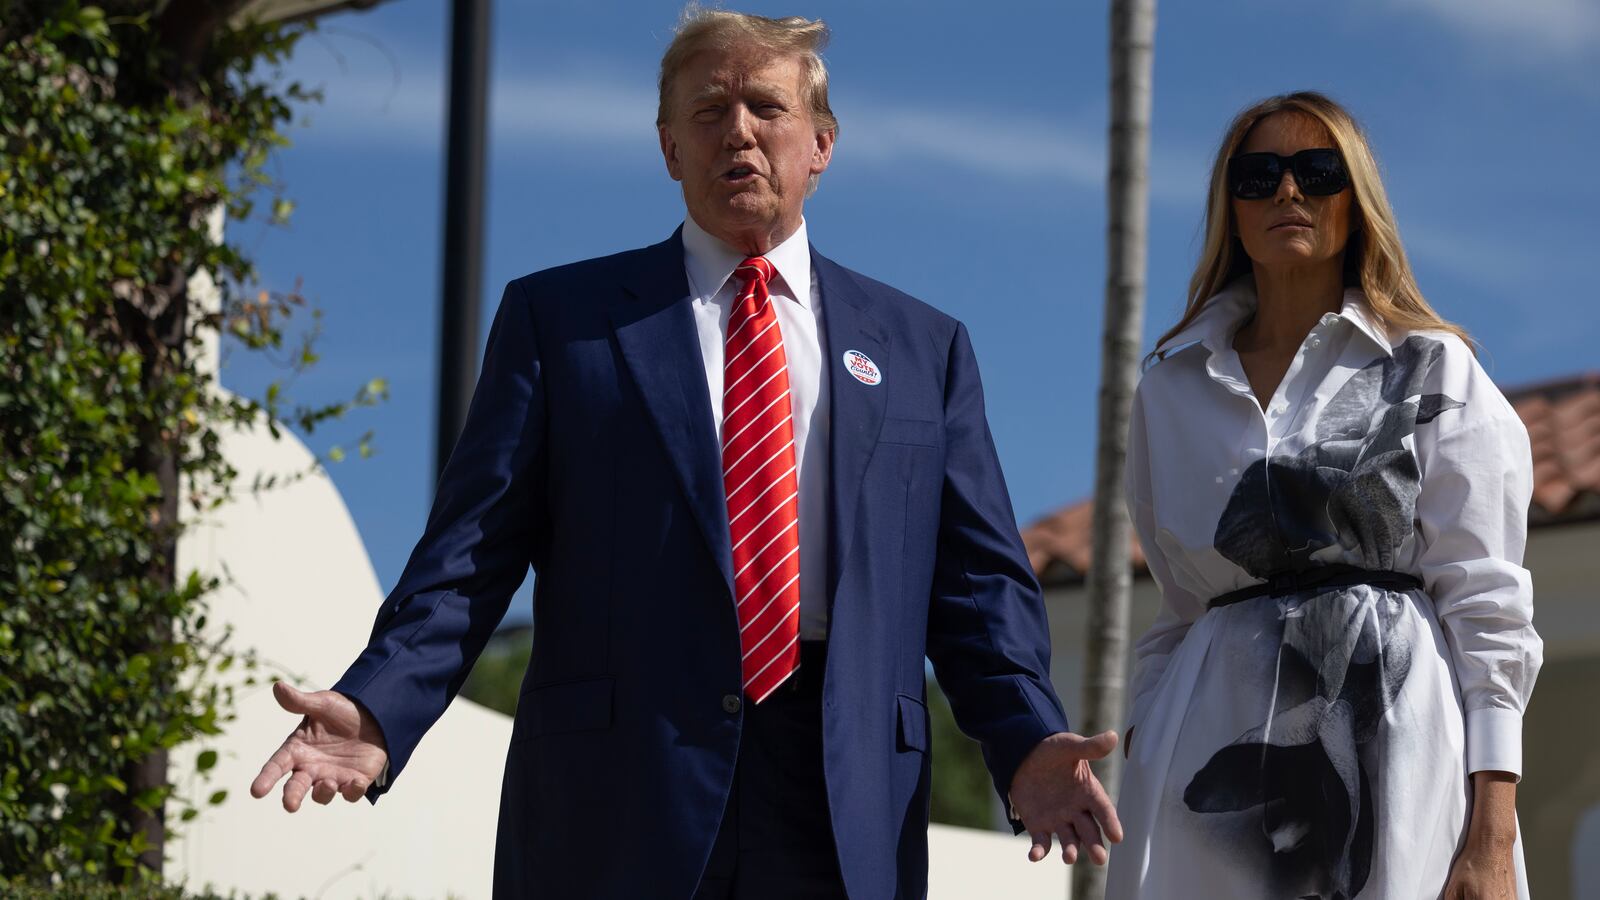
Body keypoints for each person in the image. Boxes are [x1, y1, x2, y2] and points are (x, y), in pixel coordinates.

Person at [250, 10, 1122, 899]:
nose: (737, 131)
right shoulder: (563, 323)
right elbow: (469, 557)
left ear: (820, 144)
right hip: (620, 791)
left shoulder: (921, 348)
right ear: (669, 148)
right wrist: (378, 705)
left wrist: (1029, 737)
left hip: (843, 792)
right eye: (707, 113)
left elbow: (977, 591)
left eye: (764, 108)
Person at [1106, 91, 1541, 900]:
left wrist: (1493, 826)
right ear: (1228, 209)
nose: (1288, 193)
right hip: (1205, 764)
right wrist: (1144, 736)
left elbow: (1488, 605)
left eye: (1317, 171)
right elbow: (1179, 604)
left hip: (1397, 747)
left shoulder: (1432, 370)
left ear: (1357, 199)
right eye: (1260, 175)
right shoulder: (1168, 393)